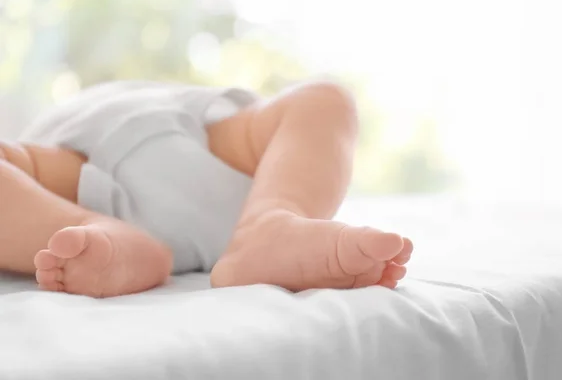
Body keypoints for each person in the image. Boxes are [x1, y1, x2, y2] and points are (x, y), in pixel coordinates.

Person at [0, 80, 413, 298]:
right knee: (326, 99)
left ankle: (273, 221)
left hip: (218, 156)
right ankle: (100, 235)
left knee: (325, 98)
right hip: (73, 185)